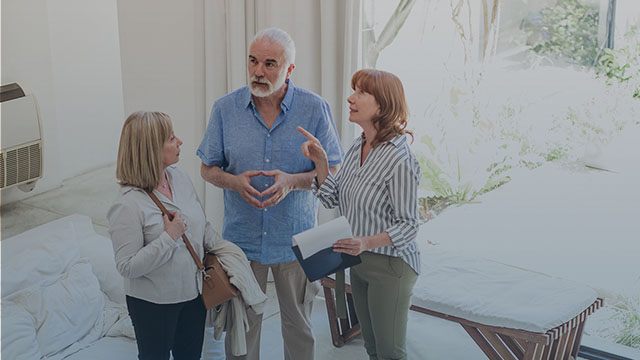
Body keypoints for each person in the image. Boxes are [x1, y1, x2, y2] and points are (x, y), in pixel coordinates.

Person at [197, 28, 344, 360]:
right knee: (241, 331)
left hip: (297, 238)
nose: (258, 71)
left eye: (269, 63)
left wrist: (293, 181)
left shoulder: (314, 108)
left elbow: (333, 171)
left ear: (289, 69)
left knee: (300, 327)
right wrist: (234, 182)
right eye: (253, 61)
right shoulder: (225, 109)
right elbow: (208, 169)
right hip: (241, 241)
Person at [299, 69, 421, 360]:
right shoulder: (358, 146)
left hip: (391, 267)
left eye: (361, 92)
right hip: (359, 263)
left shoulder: (400, 159)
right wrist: (321, 162)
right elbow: (332, 197)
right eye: (353, 90)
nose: (350, 98)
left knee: (390, 353)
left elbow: (409, 226)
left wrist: (366, 242)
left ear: (382, 104)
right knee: (372, 348)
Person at [108, 111, 219, 360]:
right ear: (151, 149)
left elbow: (202, 224)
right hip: (153, 305)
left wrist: (228, 254)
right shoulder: (127, 205)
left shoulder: (180, 177)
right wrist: (169, 237)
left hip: (193, 294)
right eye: (171, 138)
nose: (179, 141)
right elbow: (126, 266)